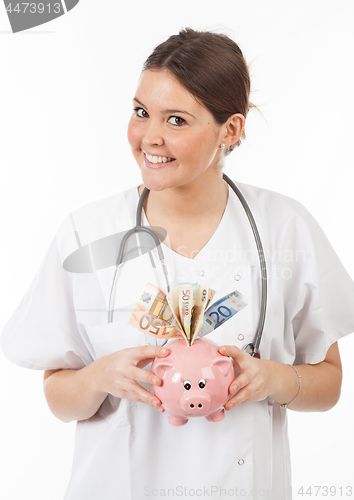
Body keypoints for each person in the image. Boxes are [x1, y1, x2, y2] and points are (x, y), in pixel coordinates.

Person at [1, 28, 354, 500]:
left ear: (229, 130)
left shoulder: (284, 227)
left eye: (177, 121)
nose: (150, 137)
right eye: (141, 112)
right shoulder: (87, 233)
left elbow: (328, 383)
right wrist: (99, 377)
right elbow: (59, 398)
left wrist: (274, 378)